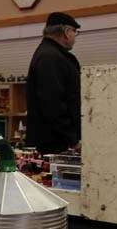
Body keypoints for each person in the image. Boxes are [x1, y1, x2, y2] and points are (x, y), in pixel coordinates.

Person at [26, 12, 81, 154]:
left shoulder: (49, 54)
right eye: (75, 32)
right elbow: (53, 103)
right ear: (67, 32)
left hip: (57, 138)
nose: (75, 37)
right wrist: (72, 139)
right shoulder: (51, 57)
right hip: (56, 141)